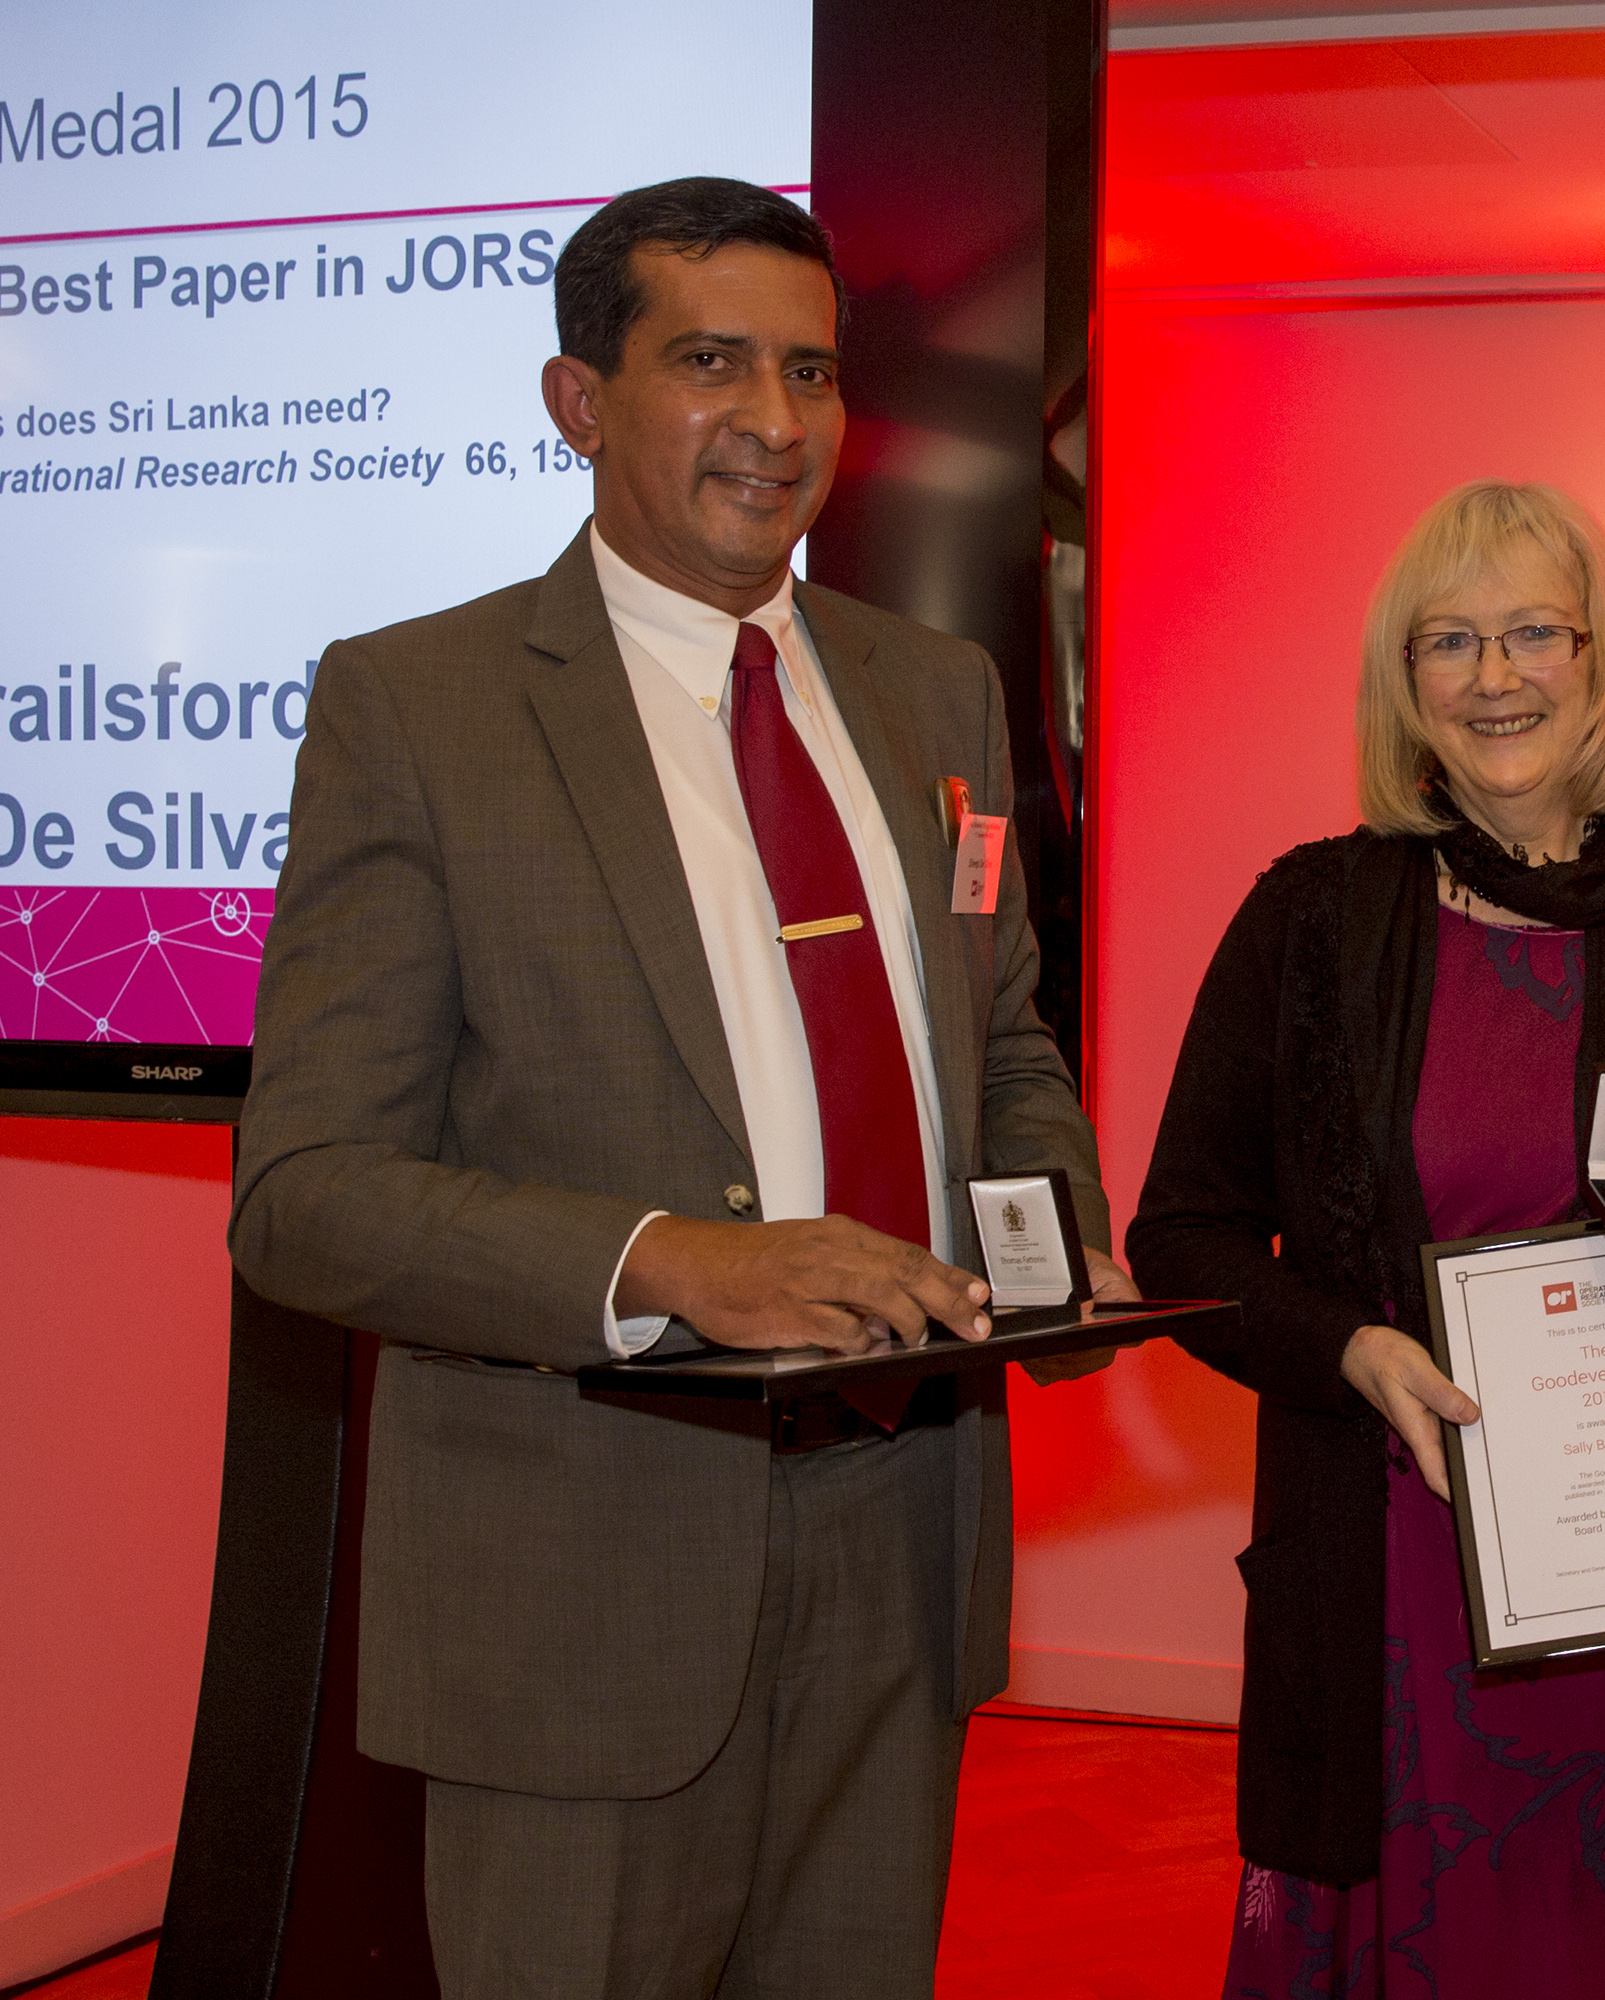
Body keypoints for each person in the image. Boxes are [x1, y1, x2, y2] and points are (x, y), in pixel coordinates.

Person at [230, 177, 1130, 1997]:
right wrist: (671, 1262)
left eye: (809, 371)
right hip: (581, 1573)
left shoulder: (934, 692)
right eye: (710, 363)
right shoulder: (423, 706)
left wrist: (1051, 1238)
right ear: (578, 399)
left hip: (902, 1536)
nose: (777, 424)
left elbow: (1003, 1038)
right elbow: (305, 1188)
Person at [1127, 480, 1605, 1996]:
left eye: (1535, 631)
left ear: (1604, 665)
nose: (1493, 675)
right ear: (1405, 686)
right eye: (1445, 642)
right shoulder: (1310, 920)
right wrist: (1347, 1348)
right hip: (1397, 1570)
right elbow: (1181, 1240)